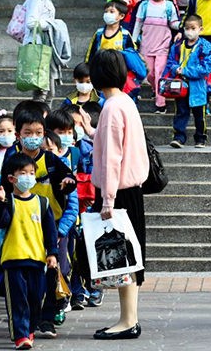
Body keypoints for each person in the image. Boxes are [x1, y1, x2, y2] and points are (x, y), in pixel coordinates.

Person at [87, 50, 148, 340]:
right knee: (129, 259)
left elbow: (112, 157)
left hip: (118, 193)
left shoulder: (111, 108)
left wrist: (107, 200)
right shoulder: (125, 102)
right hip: (131, 190)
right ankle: (129, 319)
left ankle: (127, 321)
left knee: (122, 259)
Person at [2, 108, 77, 339]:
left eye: (38, 132)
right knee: (23, 276)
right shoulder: (12, 160)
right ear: (18, 134)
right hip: (20, 226)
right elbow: (3, 189)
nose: (33, 137)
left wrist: (68, 181)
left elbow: (70, 180)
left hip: (51, 223)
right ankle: (23, 322)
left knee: (54, 270)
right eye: (28, 132)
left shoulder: (53, 160)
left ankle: (47, 318)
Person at [0, 154, 58, 350]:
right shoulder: (8, 201)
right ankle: (20, 335)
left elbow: (50, 231)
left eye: (31, 173)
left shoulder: (42, 203)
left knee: (36, 298)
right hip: (13, 260)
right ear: (11, 178)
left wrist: (52, 253)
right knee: (17, 299)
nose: (28, 177)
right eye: (23, 173)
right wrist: (1, 201)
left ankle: (30, 329)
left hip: (37, 259)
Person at [132, 0, 181, 114]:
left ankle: (161, 104)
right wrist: (134, 40)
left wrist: (182, 26)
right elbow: (138, 23)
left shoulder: (169, 6)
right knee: (150, 74)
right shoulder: (144, 5)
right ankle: (155, 89)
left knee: (160, 73)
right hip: (146, 46)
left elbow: (173, 23)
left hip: (163, 46)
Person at [165, 15, 211, 148]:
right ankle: (179, 137)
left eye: (193, 28)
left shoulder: (205, 46)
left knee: (200, 114)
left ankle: (200, 138)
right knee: (180, 112)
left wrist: (185, 71)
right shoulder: (178, 45)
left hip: (198, 86)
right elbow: (170, 62)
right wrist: (176, 69)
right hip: (180, 86)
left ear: (200, 29)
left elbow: (206, 68)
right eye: (187, 28)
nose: (189, 31)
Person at [23, 0, 67, 103]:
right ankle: (38, 124)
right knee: (42, 93)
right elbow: (31, 22)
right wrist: (54, 24)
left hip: (45, 49)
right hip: (40, 49)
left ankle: (42, 123)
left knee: (47, 93)